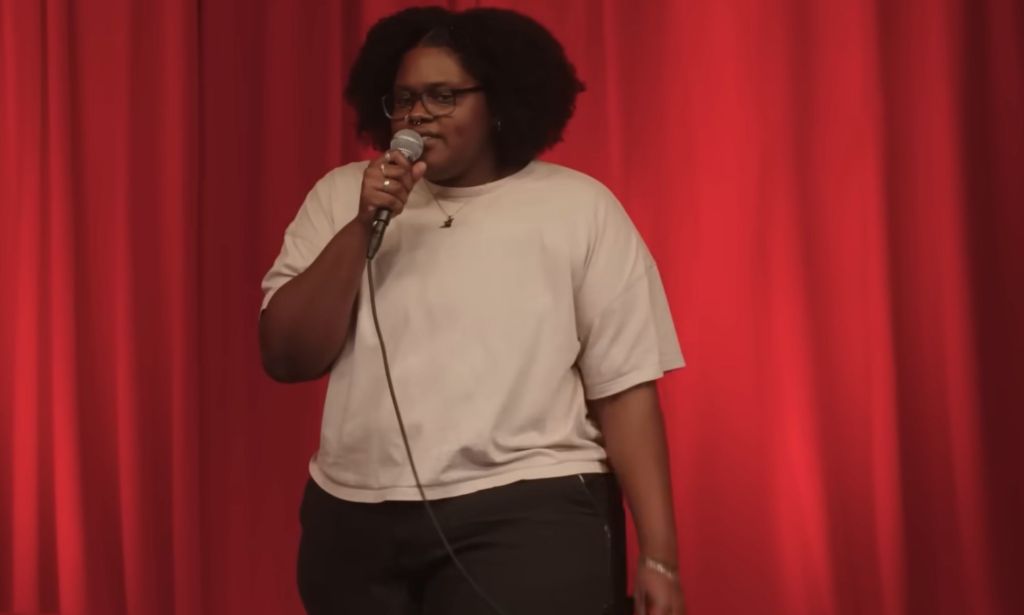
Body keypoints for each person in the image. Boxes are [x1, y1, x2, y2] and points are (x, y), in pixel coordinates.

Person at [259, 6, 686, 615]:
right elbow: (286, 354)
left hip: (529, 512)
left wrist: (659, 556)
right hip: (353, 518)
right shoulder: (341, 196)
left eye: (443, 95)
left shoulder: (578, 208)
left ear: (501, 101)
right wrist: (363, 224)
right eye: (404, 98)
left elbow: (624, 393)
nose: (418, 114)